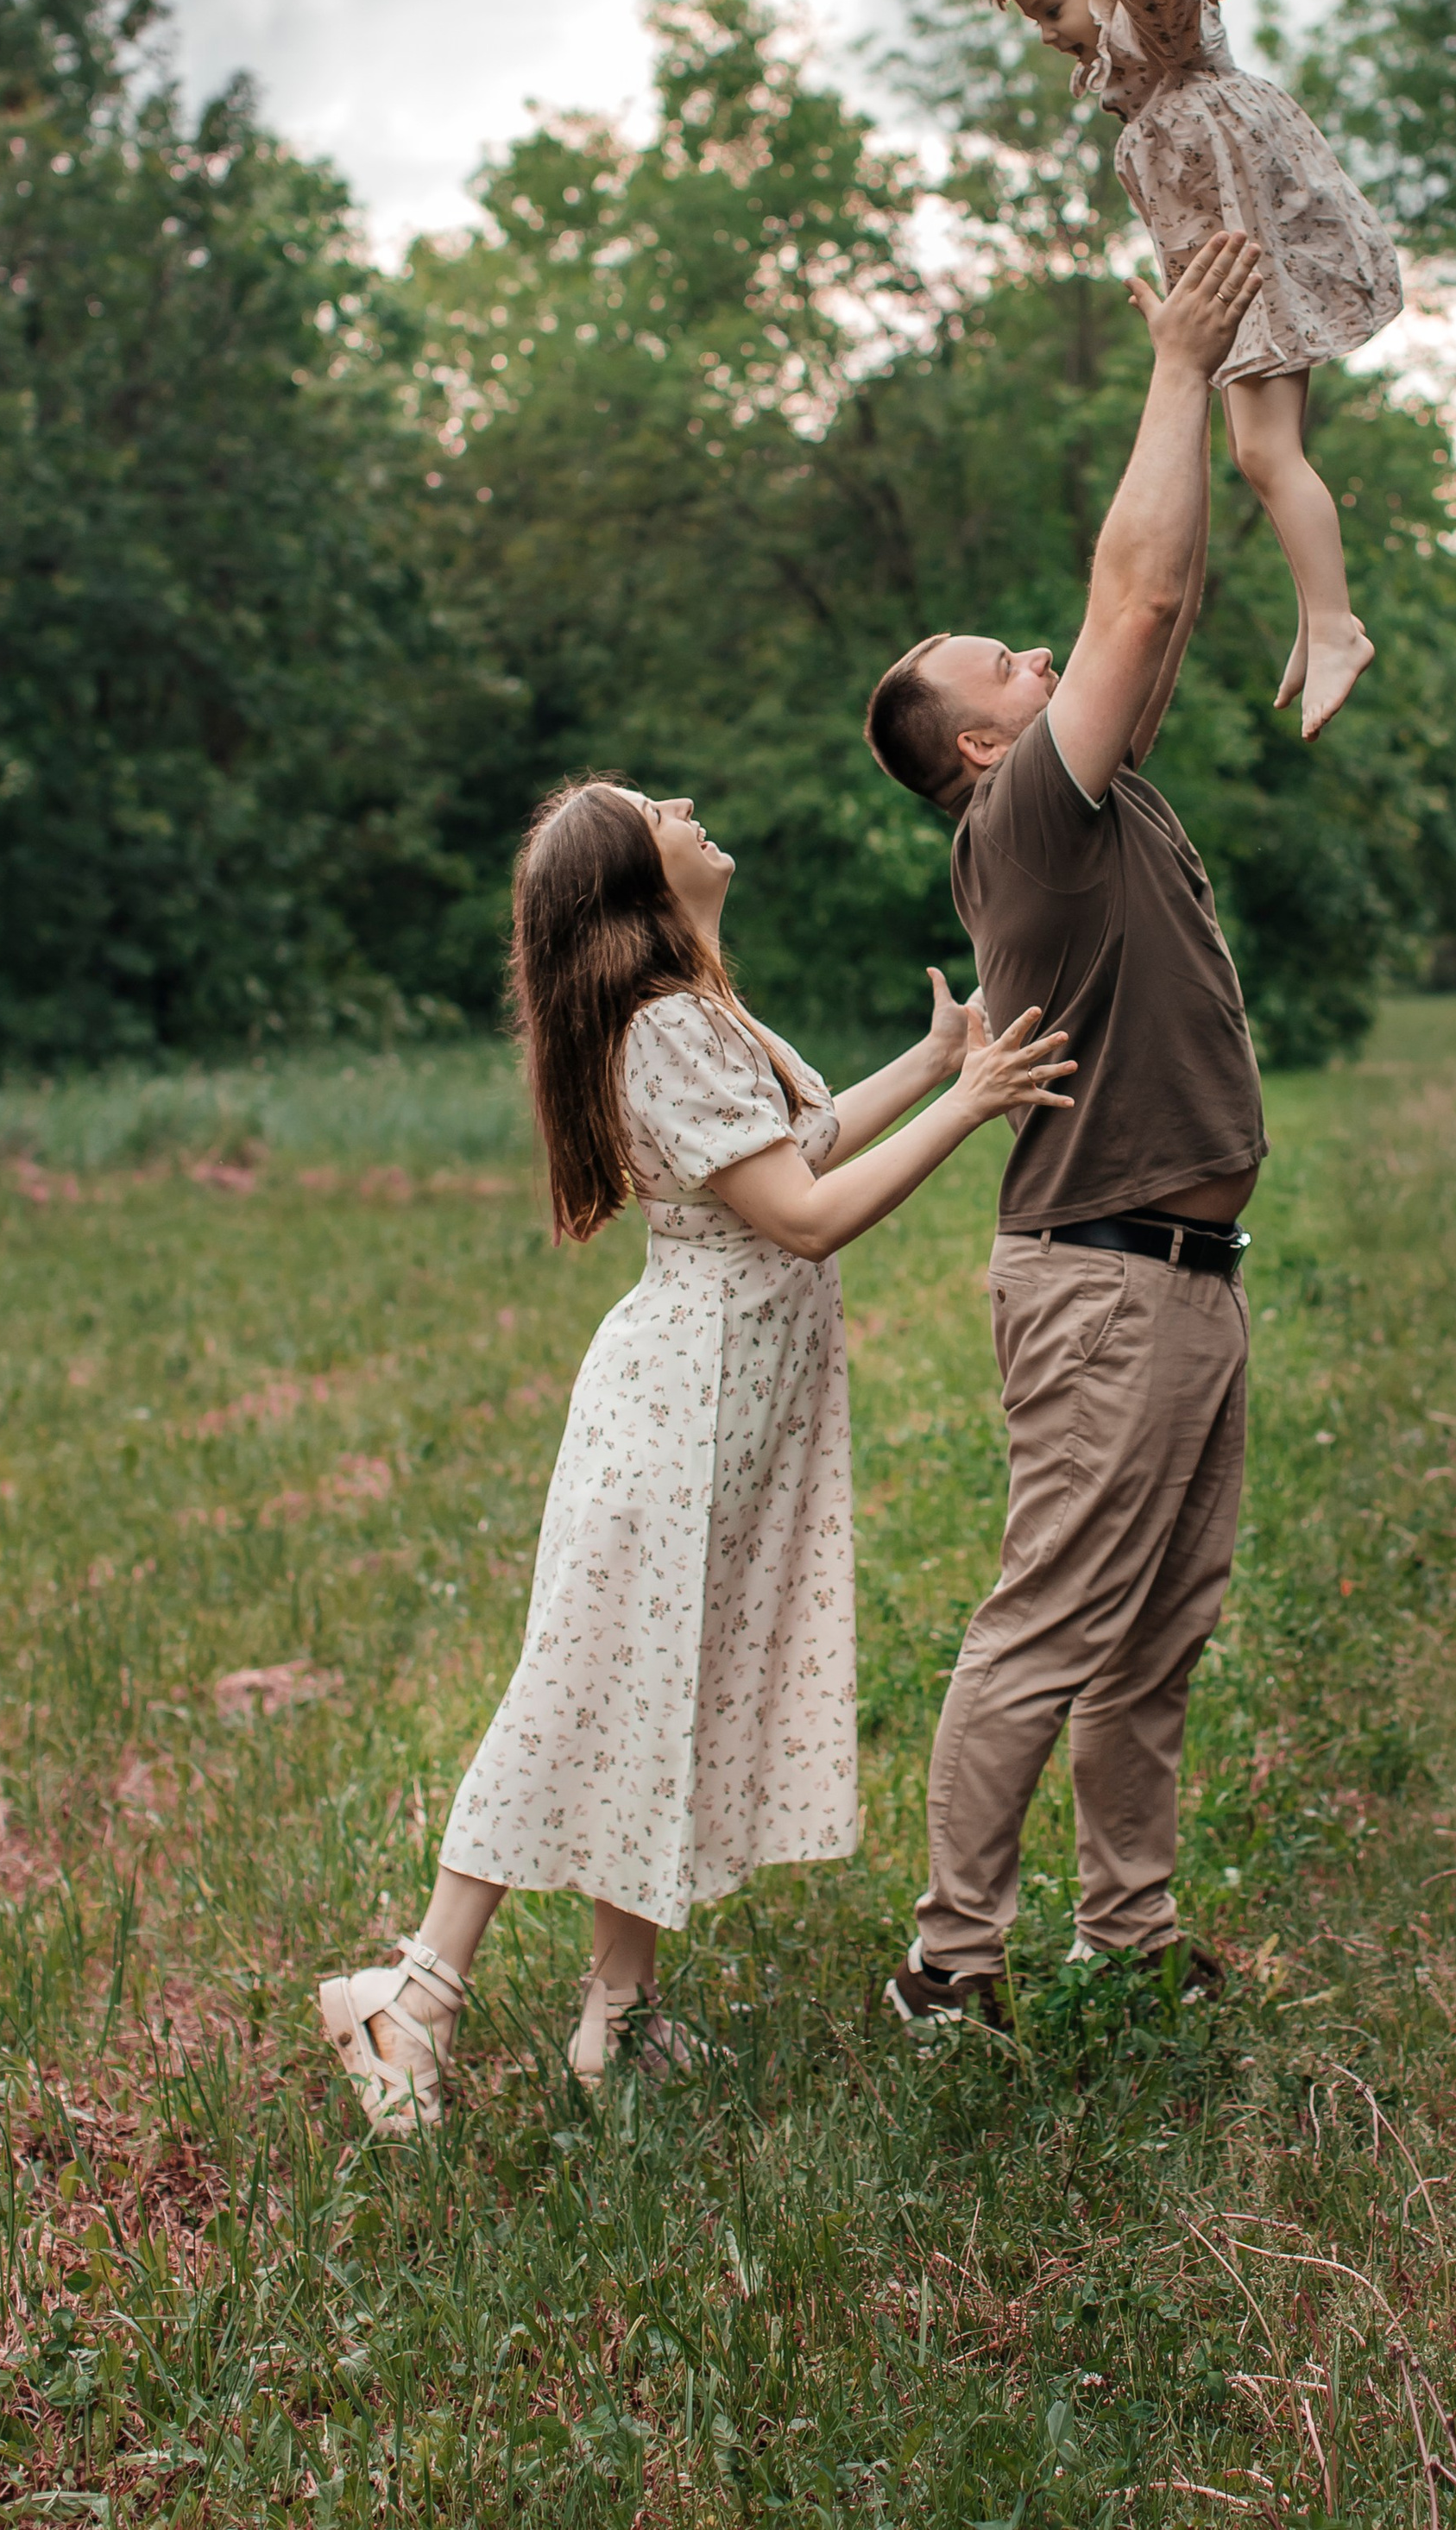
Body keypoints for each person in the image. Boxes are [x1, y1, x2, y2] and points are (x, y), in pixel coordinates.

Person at [316, 779, 1070, 2135]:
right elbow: (802, 1214)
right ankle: (409, 1995)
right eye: (649, 805)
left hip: (730, 1405)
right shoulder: (664, 1026)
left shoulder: (699, 1011)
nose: (682, 801)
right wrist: (971, 1107)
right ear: (630, 881)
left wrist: (931, 1062)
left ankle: (621, 2020)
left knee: (664, 1692)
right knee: (585, 1685)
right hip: (680, 1407)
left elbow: (801, 1143)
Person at [861, 228, 1270, 2029]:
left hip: (1176, 1280)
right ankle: (947, 1971)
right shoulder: (1024, 816)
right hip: (1105, 1285)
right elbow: (1136, 601)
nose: (1038, 655)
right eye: (1001, 667)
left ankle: (1126, 1938)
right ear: (973, 748)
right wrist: (1175, 365)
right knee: (1044, 1628)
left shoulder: (1090, 799)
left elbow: (1150, 613)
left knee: (1153, 1642)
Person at [980, 0, 1402, 739]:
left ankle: (1333, 625)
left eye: (1049, 9)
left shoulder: (1154, 31)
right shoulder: (1132, 80)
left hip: (1263, 260)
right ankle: (1317, 613)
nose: (1047, 33)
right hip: (1239, 273)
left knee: (1267, 453)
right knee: (1259, 454)